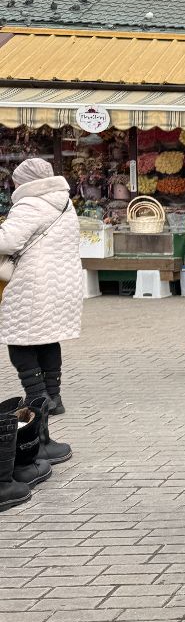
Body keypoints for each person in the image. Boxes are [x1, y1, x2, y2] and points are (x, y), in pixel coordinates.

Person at [0, 158, 79, 467]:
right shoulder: (64, 203)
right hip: (59, 284)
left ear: (26, 182)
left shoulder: (30, 204)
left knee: (19, 341)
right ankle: (53, 397)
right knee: (46, 338)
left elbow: (8, 240)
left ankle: (38, 407)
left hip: (30, 284)